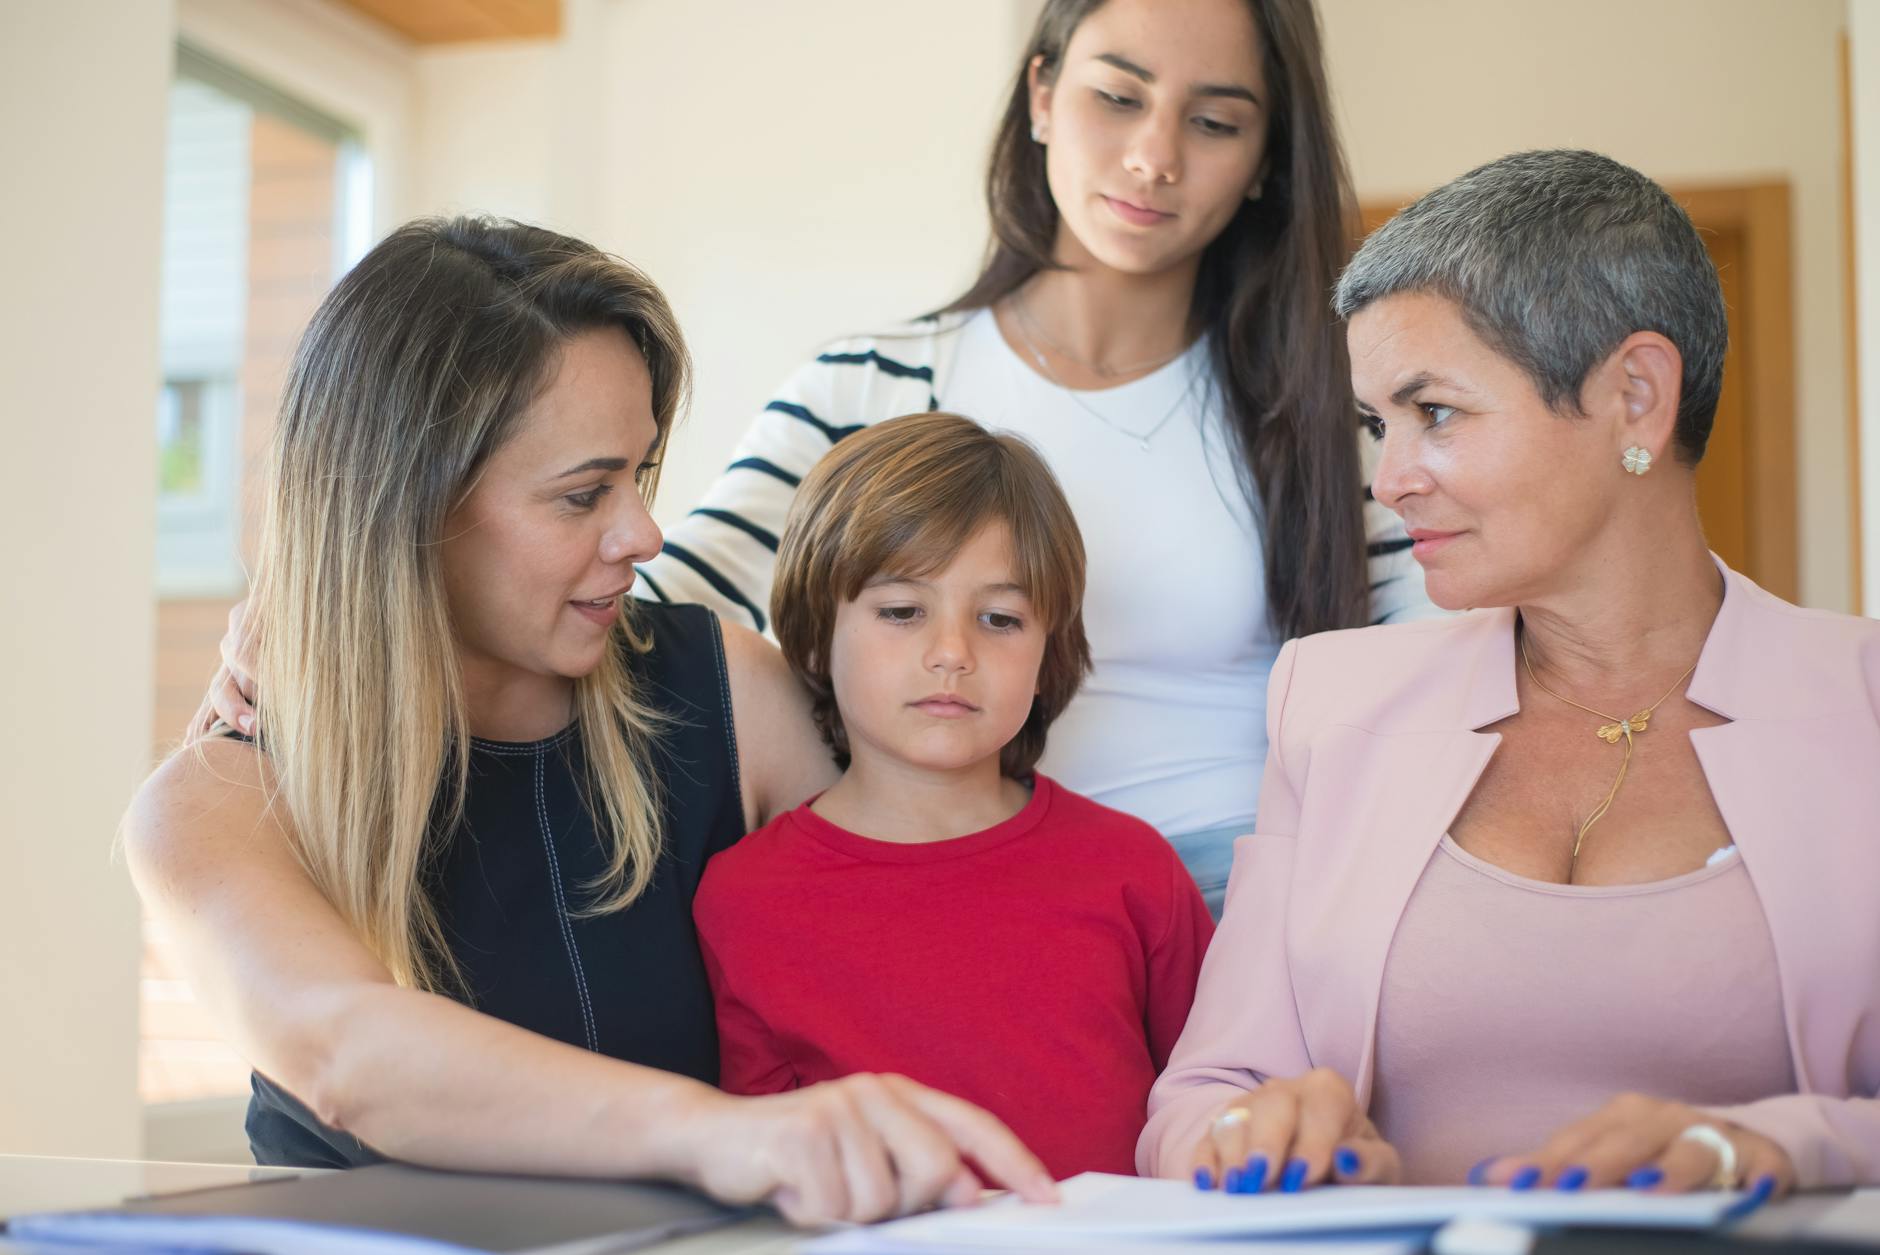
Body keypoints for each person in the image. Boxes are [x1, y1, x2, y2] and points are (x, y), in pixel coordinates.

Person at [123, 217, 1058, 1226]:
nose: (643, 533)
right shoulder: (213, 804)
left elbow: (957, 898)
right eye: (583, 495)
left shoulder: (731, 694)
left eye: (640, 474)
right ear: (404, 507)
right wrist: (727, 1136)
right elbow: (345, 1053)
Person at [547, 0, 1434, 916]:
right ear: (1042, 95)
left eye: (1214, 122)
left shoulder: (1335, 414)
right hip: (948, 903)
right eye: (1119, 97)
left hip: (1245, 907)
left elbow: (1448, 670)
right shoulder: (867, 385)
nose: (1154, 157)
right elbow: (650, 615)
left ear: (1264, 162)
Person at [1139, 151, 1880, 1197]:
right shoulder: (1329, 701)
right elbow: (1201, 1093)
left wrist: (1775, 1147)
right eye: (1374, 424)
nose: (1388, 480)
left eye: (1432, 411)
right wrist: (1243, 1130)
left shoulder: (1863, 704)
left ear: (1634, 396)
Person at [693, 412, 1214, 1180]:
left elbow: (1216, 1095)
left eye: (1000, 619)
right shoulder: (741, 897)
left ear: (1050, 653)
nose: (951, 653)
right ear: (812, 638)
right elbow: (762, 1167)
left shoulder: (1130, 864)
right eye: (901, 611)